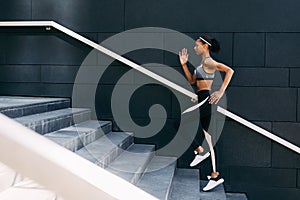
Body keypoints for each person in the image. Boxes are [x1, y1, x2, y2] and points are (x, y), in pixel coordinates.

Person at [179, 35, 234, 191]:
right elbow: (192, 81)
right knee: (209, 139)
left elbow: (229, 71)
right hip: (201, 99)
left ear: (205, 46)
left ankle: (199, 151)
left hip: (205, 100)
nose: (194, 48)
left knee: (179, 122)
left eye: (197, 45)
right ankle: (215, 175)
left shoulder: (209, 62)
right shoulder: (202, 63)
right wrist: (184, 65)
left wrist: (221, 91)